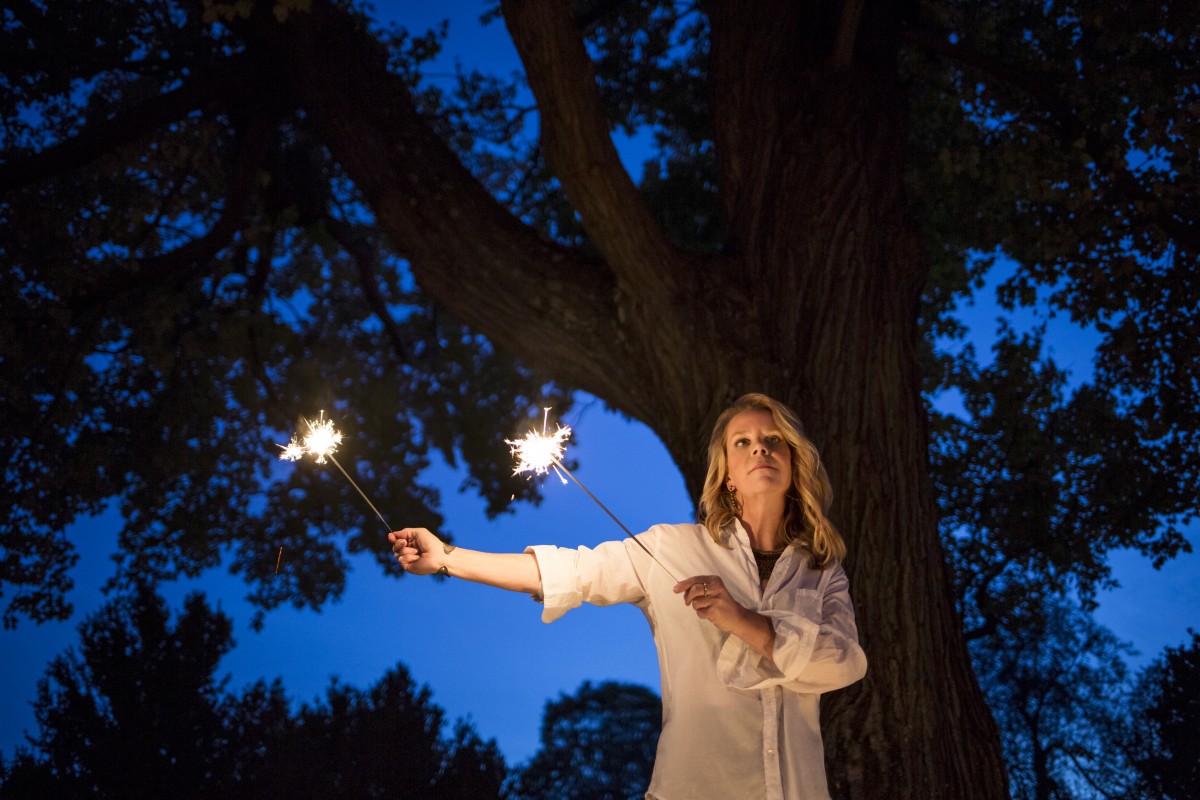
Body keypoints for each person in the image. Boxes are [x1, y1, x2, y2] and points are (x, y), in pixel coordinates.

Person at [390, 393, 867, 800]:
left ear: (792, 459)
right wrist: (449, 557)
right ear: (728, 476)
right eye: (743, 442)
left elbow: (845, 663)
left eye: (773, 440)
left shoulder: (820, 571)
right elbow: (570, 571)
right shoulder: (672, 548)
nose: (760, 448)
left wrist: (743, 620)